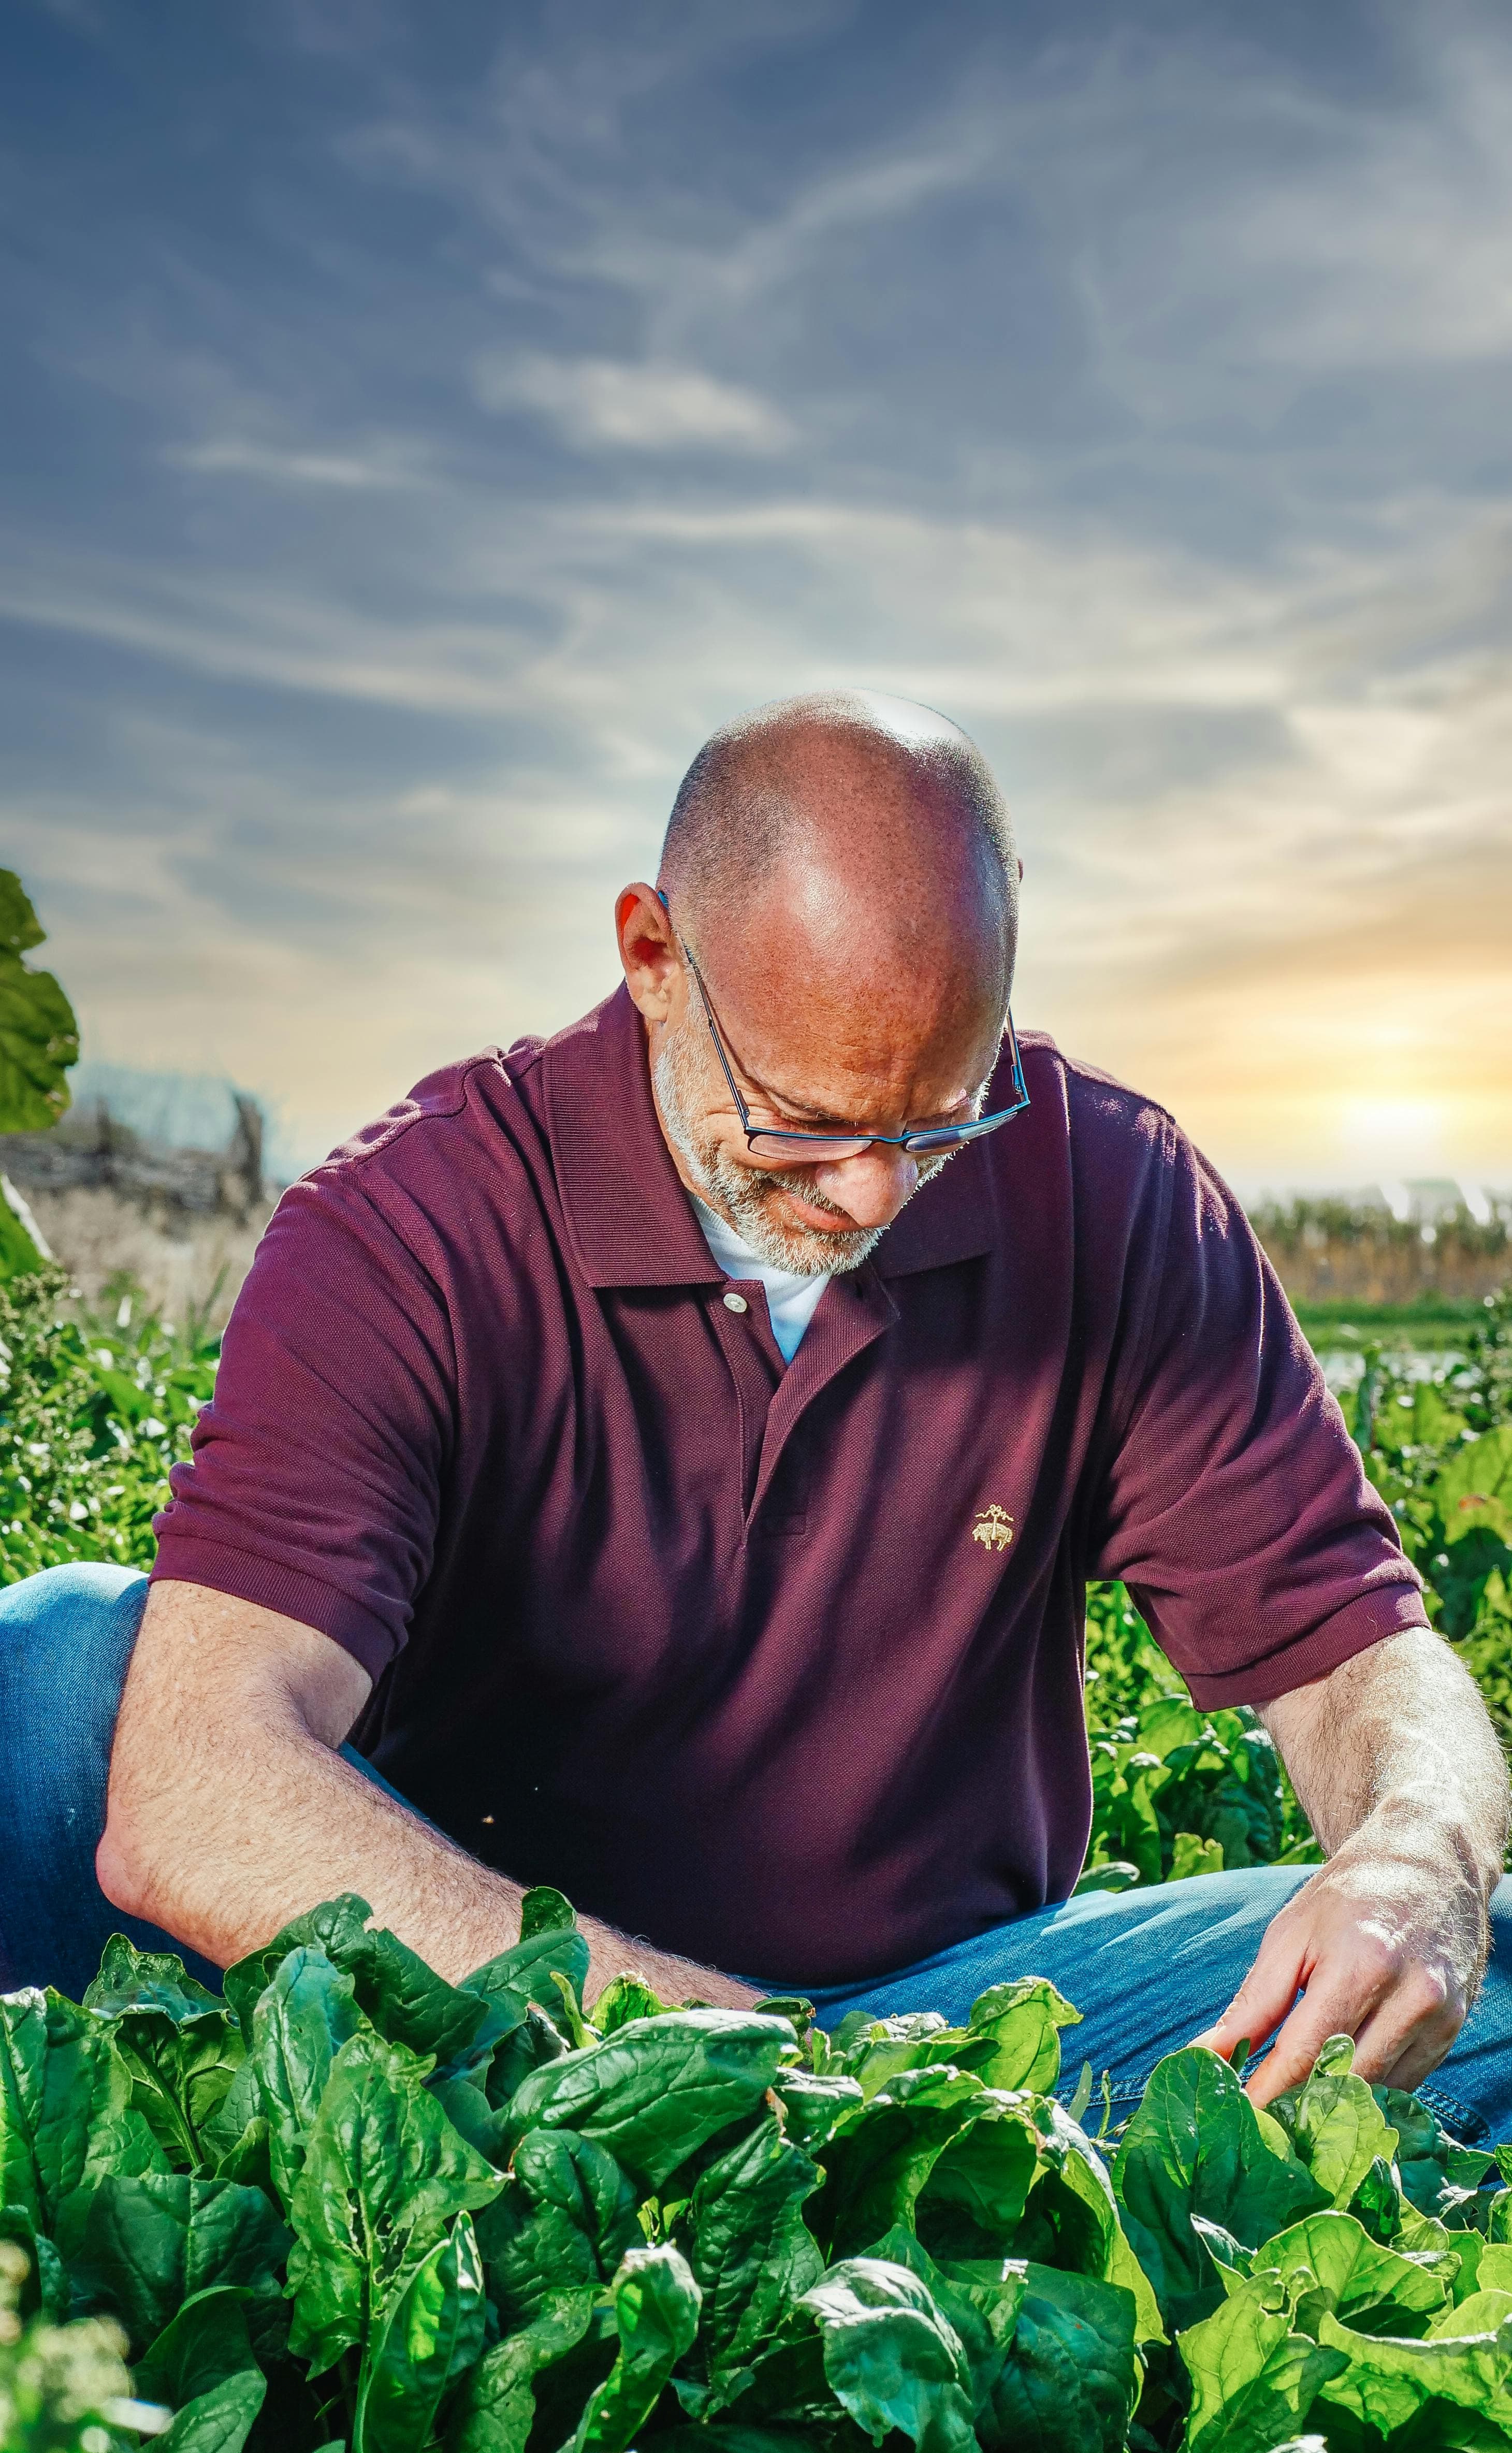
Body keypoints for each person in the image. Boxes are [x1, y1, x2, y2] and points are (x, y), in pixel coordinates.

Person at [2, 691, 1507, 2141]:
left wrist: (1421, 1856)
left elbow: (1358, 1651)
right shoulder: (407, 1228)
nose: (873, 1196)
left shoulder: (1110, 1192)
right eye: (805, 1123)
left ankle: (939, 2180)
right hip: (481, 2026)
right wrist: (712, 2067)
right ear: (655, 953)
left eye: (938, 1120)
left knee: (1486, 1953)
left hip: (949, 2045)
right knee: (67, 1676)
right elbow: (196, 1778)